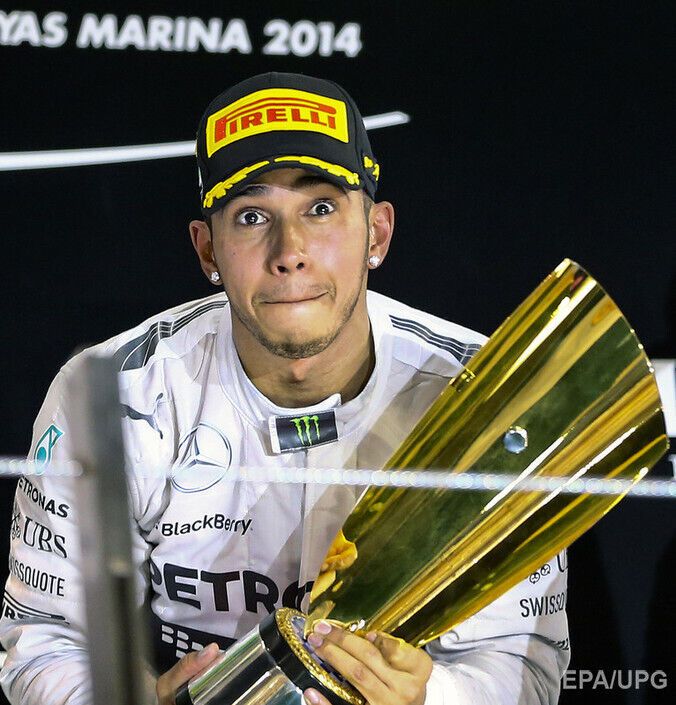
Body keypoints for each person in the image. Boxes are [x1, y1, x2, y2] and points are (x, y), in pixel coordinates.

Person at [0, 72, 569, 705]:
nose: (289, 252)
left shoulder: (482, 396)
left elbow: (525, 666)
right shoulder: (114, 394)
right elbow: (48, 640)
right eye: (251, 216)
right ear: (207, 250)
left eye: (320, 208)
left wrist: (429, 698)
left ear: (377, 233)